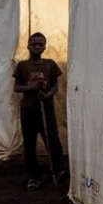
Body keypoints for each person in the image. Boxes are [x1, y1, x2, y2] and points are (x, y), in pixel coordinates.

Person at [13, 32, 67, 190]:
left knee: (53, 140)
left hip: (46, 109)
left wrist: (47, 95)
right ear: (28, 46)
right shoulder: (22, 66)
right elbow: (16, 87)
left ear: (45, 47)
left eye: (40, 44)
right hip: (29, 110)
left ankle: (59, 171)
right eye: (34, 44)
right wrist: (33, 88)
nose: (37, 47)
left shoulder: (50, 64)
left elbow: (55, 85)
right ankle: (33, 176)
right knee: (29, 143)